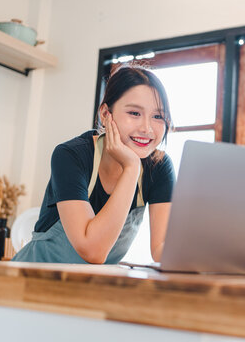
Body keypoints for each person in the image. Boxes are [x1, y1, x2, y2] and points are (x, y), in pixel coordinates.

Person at [12, 65, 175, 264]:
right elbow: (93, 251)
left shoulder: (158, 167)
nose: (147, 128)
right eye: (134, 113)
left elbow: (160, 249)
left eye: (158, 116)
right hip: (34, 281)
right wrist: (131, 168)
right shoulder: (70, 155)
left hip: (92, 288)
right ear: (106, 114)